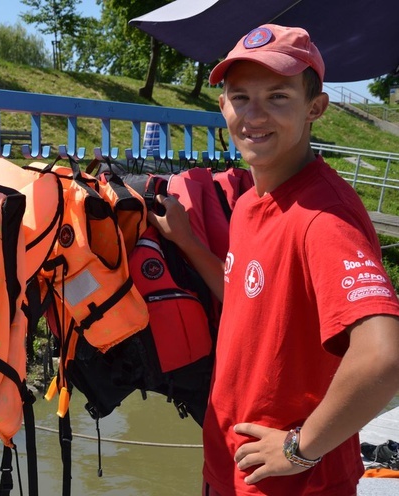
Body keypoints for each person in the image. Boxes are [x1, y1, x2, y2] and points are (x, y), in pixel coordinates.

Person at [147, 24, 399, 496]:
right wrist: (187, 242)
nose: (253, 115)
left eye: (278, 96)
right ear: (221, 105)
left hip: (294, 483)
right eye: (240, 97)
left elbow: (383, 356)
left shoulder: (323, 217)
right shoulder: (249, 204)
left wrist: (297, 449)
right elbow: (245, 301)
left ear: (314, 109)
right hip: (229, 468)